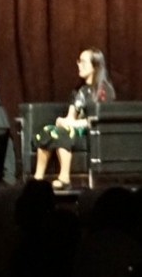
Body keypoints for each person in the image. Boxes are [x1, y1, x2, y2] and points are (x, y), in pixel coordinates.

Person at [34, 48, 115, 189]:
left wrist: (71, 123)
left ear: (95, 65)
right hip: (75, 128)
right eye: (78, 61)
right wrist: (63, 121)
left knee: (64, 132)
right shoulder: (79, 90)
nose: (79, 65)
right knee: (48, 130)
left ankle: (64, 178)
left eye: (83, 61)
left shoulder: (104, 90)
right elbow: (71, 116)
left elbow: (99, 119)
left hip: (92, 131)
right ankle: (37, 179)